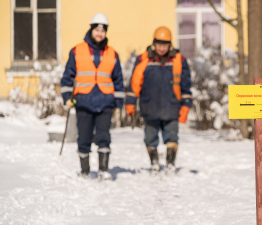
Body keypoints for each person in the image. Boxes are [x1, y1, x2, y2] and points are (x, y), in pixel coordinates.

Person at [60, 13, 124, 180]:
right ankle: (85, 172)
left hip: (105, 102)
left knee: (104, 137)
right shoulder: (77, 51)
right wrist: (67, 97)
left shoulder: (112, 53)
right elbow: (68, 77)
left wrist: (118, 103)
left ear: (106, 33)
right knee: (84, 137)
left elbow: (118, 79)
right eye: (96, 30)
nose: (99, 34)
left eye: (102, 31)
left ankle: (103, 170)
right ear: (91, 30)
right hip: (83, 101)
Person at [125, 26, 192, 173]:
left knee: (172, 137)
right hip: (150, 107)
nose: (162, 48)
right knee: (150, 138)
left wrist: (186, 105)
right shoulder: (143, 60)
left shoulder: (179, 61)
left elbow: (186, 86)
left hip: (172, 107)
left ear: (170, 45)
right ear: (154, 43)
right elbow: (134, 84)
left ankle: (170, 164)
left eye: (165, 45)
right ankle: (154, 163)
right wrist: (130, 103)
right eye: (159, 44)